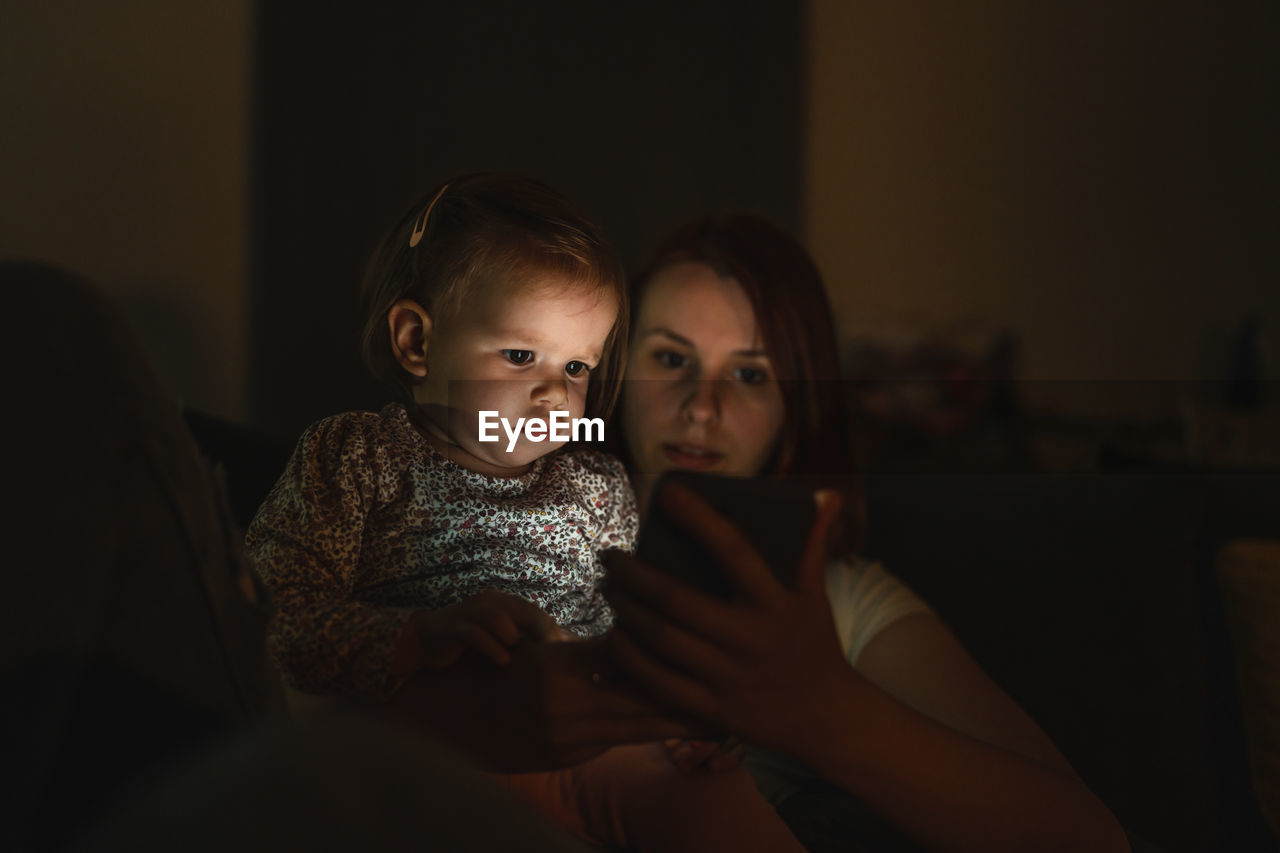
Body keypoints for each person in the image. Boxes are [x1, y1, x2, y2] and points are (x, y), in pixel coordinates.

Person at [245, 174, 809, 851]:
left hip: (593, 754)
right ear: (417, 343)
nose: (554, 394)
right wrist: (418, 636)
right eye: (520, 355)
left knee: (699, 785)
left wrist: (688, 712)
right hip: (428, 749)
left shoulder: (599, 486)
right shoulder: (356, 456)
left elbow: (639, 637)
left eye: (576, 367)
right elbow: (269, 621)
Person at [599, 213, 1132, 852]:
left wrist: (821, 712)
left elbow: (1088, 840)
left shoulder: (843, 602)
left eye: (750, 374)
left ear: (797, 406)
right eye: (670, 358)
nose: (702, 406)